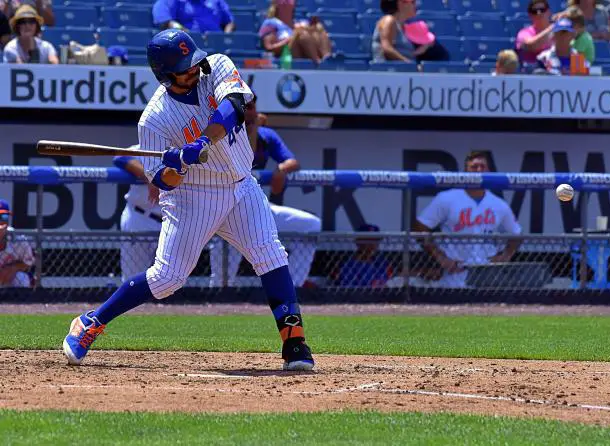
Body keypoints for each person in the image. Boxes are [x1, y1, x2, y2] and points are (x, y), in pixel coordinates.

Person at [62, 29, 314, 372]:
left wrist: (201, 141)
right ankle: (91, 321)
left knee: (270, 253)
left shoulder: (217, 66)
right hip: (194, 196)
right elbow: (161, 181)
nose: (193, 69)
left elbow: (235, 107)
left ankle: (294, 341)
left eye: (193, 61)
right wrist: (177, 164)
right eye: (184, 67)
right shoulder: (154, 118)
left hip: (241, 185)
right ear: (165, 74)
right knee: (167, 279)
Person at [209, 93, 321, 288]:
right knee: (220, 282)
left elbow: (292, 161)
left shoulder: (266, 135)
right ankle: (216, 300)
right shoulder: (220, 133)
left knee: (310, 225)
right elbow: (246, 158)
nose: (247, 111)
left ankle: (293, 289)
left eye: (251, 107)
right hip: (227, 210)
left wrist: (281, 169)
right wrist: (251, 127)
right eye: (243, 107)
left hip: (257, 205)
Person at [413, 152, 522, 288]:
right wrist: (440, 257)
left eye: (482, 167)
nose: (479, 170)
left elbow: (517, 234)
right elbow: (419, 227)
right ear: (465, 172)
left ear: (489, 171)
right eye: (474, 167)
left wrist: (506, 255)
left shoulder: (498, 204)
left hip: (487, 279)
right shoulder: (447, 198)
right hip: (454, 277)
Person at [113, 151, 162, 281]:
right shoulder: (144, 147)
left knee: (170, 277)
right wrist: (151, 178)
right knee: (133, 277)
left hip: (170, 221)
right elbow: (120, 157)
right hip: (140, 216)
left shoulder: (179, 148)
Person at [372, 0, 449, 63]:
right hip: (389, 73)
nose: (415, 5)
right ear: (401, 3)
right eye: (413, 2)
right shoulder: (389, 20)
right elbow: (387, 49)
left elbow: (404, 52)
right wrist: (410, 65)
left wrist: (425, 47)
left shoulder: (403, 27)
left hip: (404, 73)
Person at [258, 4, 331, 64]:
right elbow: (269, 47)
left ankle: (327, 57)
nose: (286, 1)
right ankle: (318, 61)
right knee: (301, 33)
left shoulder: (296, 23)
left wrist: (313, 27)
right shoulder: (270, 23)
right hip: (286, 56)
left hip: (303, 52)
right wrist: (288, 40)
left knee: (319, 28)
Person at [333, 224, 394, 288]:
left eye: (375, 240)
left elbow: (392, 283)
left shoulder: (383, 263)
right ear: (358, 242)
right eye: (368, 240)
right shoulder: (347, 266)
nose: (373, 244)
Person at [0, 200, 35, 288]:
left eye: (3, 217)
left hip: (8, 281)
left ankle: (18, 301)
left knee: (22, 278)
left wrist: (13, 268)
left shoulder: (18, 239)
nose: (0, 222)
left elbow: (28, 262)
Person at [152, 0, 235, 33]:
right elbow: (166, 21)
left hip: (217, 45)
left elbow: (229, 22)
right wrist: (187, 33)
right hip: (187, 46)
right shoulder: (172, 1)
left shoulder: (216, 1)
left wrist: (225, 37)